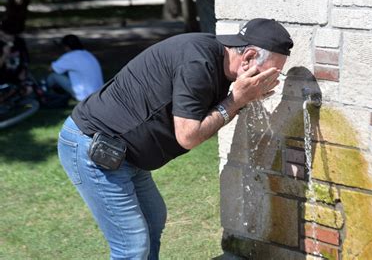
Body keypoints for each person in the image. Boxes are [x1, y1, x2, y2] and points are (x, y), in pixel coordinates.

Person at [57, 18, 293, 259]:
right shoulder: (197, 62)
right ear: (249, 56)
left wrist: (239, 100)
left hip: (125, 153)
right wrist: (237, 100)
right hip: (94, 148)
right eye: (272, 72)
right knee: (132, 245)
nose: (272, 80)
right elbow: (188, 136)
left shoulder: (220, 62)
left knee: (153, 218)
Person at [47, 34, 103, 101]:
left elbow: (51, 69)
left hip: (84, 95)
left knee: (54, 76)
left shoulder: (70, 56)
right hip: (98, 92)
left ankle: (44, 94)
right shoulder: (87, 54)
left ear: (67, 47)